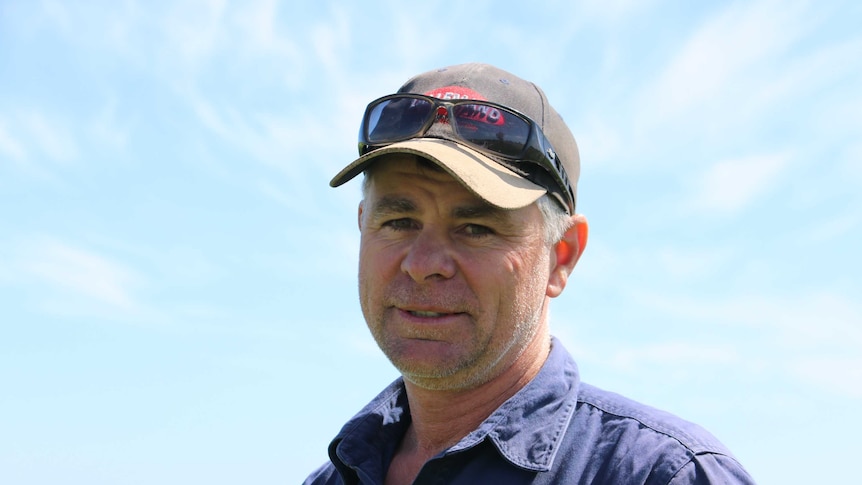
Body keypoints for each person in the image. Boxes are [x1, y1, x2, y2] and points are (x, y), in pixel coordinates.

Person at [303, 63, 755, 484]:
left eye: (475, 228)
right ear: (363, 225)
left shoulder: (662, 475)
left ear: (561, 257)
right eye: (399, 222)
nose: (423, 265)